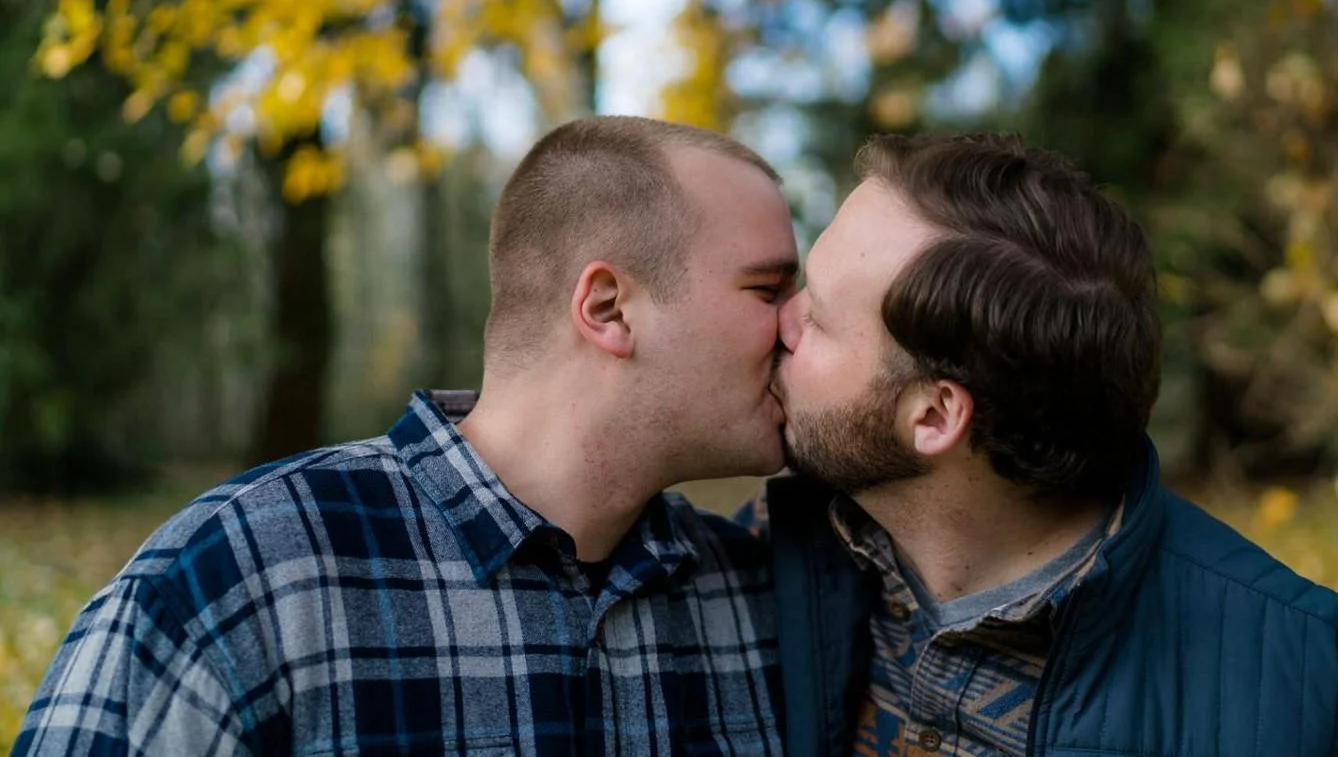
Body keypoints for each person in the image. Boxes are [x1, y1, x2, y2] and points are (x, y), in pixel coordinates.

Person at [16, 116, 799, 756]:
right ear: (606, 309)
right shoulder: (244, 576)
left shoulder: (767, 598)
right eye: (769, 288)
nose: (799, 322)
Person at [763, 132, 1338, 757]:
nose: (780, 322)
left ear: (934, 415)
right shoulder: (779, 558)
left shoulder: (1290, 687)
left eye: (816, 316)